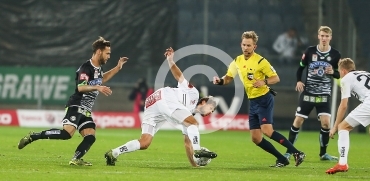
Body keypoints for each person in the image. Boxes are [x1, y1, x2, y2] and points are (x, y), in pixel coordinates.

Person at [17, 36, 129, 166]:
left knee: (90, 136)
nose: (109, 56)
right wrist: (97, 87)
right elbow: (81, 87)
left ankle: (76, 159)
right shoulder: (86, 68)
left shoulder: (98, 69)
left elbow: (102, 79)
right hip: (76, 105)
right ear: (99, 52)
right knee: (67, 133)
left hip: (86, 109)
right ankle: (33, 136)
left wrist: (117, 68)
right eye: (107, 53)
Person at [104, 47, 217, 167]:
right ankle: (199, 149)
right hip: (165, 96)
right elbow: (179, 77)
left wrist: (195, 165)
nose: (211, 112)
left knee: (145, 142)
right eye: (211, 108)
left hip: (152, 103)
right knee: (194, 124)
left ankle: (114, 153)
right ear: (204, 102)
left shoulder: (187, 118)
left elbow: (187, 144)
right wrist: (170, 60)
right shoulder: (193, 93)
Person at [213, 31, 305, 167]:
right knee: (256, 138)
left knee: (267, 131)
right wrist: (219, 81)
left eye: (249, 45)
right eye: (244, 45)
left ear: (254, 46)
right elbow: (227, 79)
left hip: (264, 99)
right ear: (241, 45)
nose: (246, 48)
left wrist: (264, 81)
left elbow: (276, 78)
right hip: (253, 101)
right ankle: (282, 159)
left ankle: (297, 152)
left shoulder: (261, 61)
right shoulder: (237, 61)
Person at [326, 58, 370, 176]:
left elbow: (343, 105)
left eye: (339, 72)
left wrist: (334, 127)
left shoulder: (345, 79)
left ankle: (342, 162)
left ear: (343, 71)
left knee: (343, 127)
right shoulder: (366, 73)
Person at [283, 26, 341, 161]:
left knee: (326, 124)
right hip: (309, 92)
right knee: (298, 121)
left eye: (326, 36)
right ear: (318, 36)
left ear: (330, 37)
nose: (324, 38)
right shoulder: (310, 51)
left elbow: (339, 74)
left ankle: (323, 154)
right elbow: (300, 68)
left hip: (324, 94)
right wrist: (298, 81)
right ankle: (288, 151)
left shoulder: (336, 54)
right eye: (322, 36)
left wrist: (333, 73)